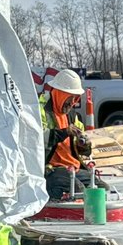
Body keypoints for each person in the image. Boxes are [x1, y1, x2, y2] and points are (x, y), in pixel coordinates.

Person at [41, 67, 93, 200]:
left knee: (100, 189)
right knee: (79, 191)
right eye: (71, 98)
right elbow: (38, 140)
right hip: (50, 170)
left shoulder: (72, 115)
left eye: (75, 99)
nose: (72, 103)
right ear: (60, 94)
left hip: (72, 167)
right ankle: (51, 194)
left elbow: (82, 149)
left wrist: (84, 145)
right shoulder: (40, 109)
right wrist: (64, 132)